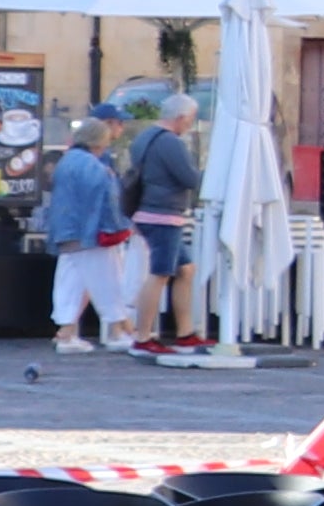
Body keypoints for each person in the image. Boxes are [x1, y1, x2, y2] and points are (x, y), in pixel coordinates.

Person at [37, 110, 139, 352]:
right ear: (99, 141)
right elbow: (108, 201)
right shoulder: (96, 167)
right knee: (109, 280)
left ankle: (66, 333)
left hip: (67, 233)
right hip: (91, 234)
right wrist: (120, 226)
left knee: (70, 283)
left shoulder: (66, 162)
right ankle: (117, 331)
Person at [123, 88, 203, 352]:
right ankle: (143, 336)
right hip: (163, 215)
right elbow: (189, 178)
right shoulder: (170, 142)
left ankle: (185, 331)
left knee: (186, 269)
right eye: (190, 119)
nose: (190, 125)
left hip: (148, 211)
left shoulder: (143, 138)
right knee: (159, 274)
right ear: (180, 117)